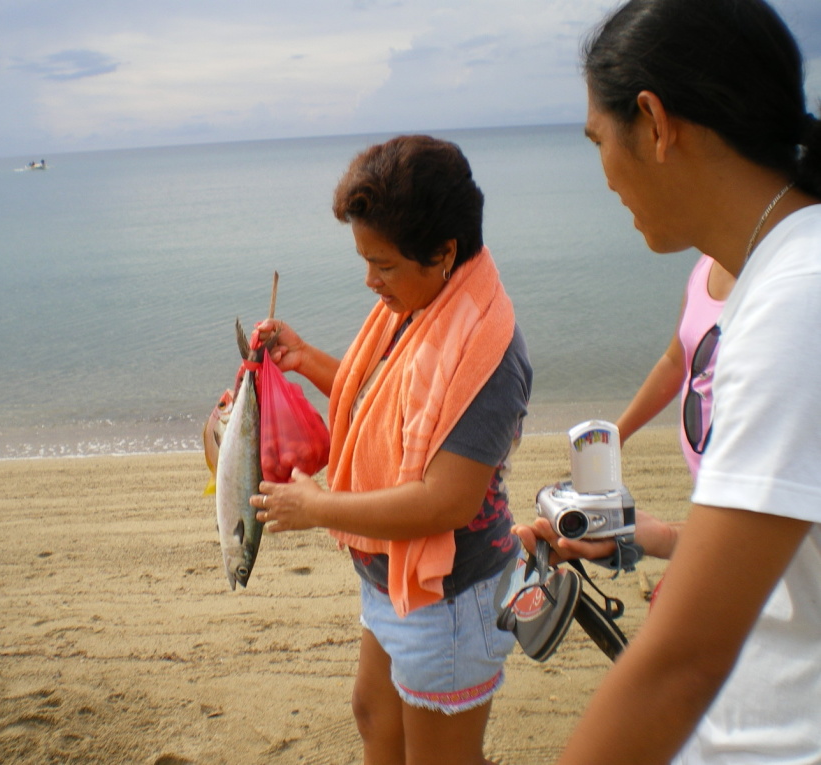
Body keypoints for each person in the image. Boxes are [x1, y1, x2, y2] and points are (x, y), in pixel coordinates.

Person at [513, 0, 821, 762]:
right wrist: (650, 537)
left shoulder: (797, 301)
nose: (604, 175)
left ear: (652, 121)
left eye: (597, 139)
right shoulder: (777, 276)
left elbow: (682, 663)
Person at [251, 135, 532, 765]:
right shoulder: (422, 301)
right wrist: (307, 362)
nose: (370, 280)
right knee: (374, 714)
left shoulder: (485, 352)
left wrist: (319, 507)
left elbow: (444, 503)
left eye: (383, 264)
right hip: (389, 578)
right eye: (365, 259)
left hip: (448, 595)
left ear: (443, 252)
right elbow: (385, 403)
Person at [616, 254, 734, 480]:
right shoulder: (706, 267)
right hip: (706, 486)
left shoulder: (779, 280)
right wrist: (618, 434)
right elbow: (676, 361)